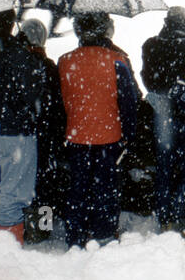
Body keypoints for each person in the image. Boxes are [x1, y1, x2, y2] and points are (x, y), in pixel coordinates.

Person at [58, 14, 141, 248]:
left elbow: (57, 101)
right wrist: (129, 135)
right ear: (105, 31)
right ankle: (103, 232)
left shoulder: (65, 61)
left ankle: (75, 234)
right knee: (106, 186)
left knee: (78, 186)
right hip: (109, 135)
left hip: (75, 135)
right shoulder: (116, 60)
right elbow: (129, 102)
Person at [0, 11, 51, 242]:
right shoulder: (19, 54)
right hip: (16, 133)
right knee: (13, 193)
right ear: (12, 24)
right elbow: (32, 94)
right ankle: (7, 246)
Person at [141, 7, 185, 231]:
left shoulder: (151, 44)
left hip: (163, 115)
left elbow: (147, 80)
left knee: (164, 167)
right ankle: (181, 215)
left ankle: (164, 218)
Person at [18, 17, 67, 243]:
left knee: (20, 180)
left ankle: (20, 224)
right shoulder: (48, 66)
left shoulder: (18, 63)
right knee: (45, 182)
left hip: (21, 133)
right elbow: (59, 103)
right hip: (47, 134)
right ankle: (43, 226)